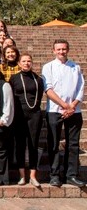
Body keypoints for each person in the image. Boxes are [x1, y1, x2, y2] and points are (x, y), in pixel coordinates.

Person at [42, 39, 86, 187]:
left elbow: (81, 88)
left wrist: (72, 106)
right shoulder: (48, 67)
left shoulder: (76, 67)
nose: (61, 52)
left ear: (68, 50)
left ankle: (71, 175)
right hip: (54, 110)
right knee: (53, 143)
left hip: (75, 111)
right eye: (58, 49)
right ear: (53, 51)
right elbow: (48, 89)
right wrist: (64, 105)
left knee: (72, 144)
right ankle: (54, 175)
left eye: (64, 49)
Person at [9, 53, 44, 187]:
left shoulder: (38, 79)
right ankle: (22, 176)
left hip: (34, 114)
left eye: (29, 61)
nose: (26, 63)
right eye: (24, 61)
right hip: (19, 115)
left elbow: (39, 96)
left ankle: (33, 176)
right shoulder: (14, 78)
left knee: (33, 144)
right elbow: (11, 97)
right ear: (19, 63)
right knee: (20, 144)